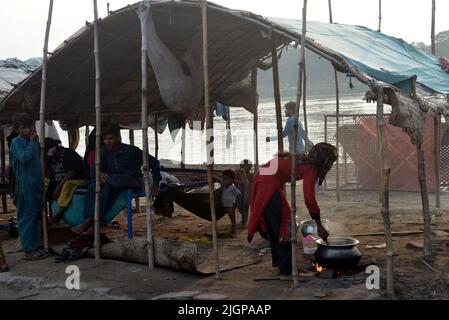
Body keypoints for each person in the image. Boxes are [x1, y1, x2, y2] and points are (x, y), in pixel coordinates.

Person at [247, 143, 338, 280]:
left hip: (263, 180)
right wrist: (318, 224)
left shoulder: (303, 161)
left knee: (276, 227)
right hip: (267, 183)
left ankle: (284, 266)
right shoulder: (310, 167)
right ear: (325, 161)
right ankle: (286, 271)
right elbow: (309, 199)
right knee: (287, 226)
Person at [72, 123, 162, 236]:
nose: (107, 142)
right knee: (93, 185)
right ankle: (92, 222)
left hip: (133, 180)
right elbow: (94, 170)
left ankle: (90, 222)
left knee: (110, 185)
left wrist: (156, 183)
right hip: (114, 181)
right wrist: (99, 173)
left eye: (110, 138)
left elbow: (154, 163)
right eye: (105, 139)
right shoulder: (103, 151)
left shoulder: (132, 150)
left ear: (118, 138)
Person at [9, 114, 47, 260]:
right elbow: (24, 158)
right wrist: (32, 142)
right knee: (27, 217)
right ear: (17, 129)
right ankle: (29, 250)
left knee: (36, 216)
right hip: (25, 185)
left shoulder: (34, 141)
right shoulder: (15, 143)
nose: (27, 130)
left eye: (29, 126)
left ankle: (35, 246)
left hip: (36, 183)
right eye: (23, 128)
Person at [44, 138, 87, 225]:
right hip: (60, 181)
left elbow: (71, 173)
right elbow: (49, 175)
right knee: (44, 186)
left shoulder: (67, 153)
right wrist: (44, 162)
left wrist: (59, 187)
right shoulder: (51, 158)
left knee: (67, 185)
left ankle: (60, 213)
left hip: (78, 180)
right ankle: (44, 217)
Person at [221, 169, 241, 236]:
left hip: (230, 206)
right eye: (224, 179)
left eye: (227, 179)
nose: (225, 181)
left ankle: (234, 231)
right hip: (225, 205)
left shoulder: (232, 187)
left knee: (232, 218)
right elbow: (219, 181)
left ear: (232, 180)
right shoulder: (224, 185)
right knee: (230, 217)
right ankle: (232, 230)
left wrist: (235, 204)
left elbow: (238, 195)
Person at [234, 159, 253, 227]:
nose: (249, 168)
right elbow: (235, 181)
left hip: (248, 192)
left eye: (250, 166)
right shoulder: (238, 172)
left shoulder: (250, 174)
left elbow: (250, 182)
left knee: (246, 206)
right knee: (241, 206)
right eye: (247, 166)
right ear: (241, 166)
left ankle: (245, 219)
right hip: (240, 192)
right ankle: (244, 219)